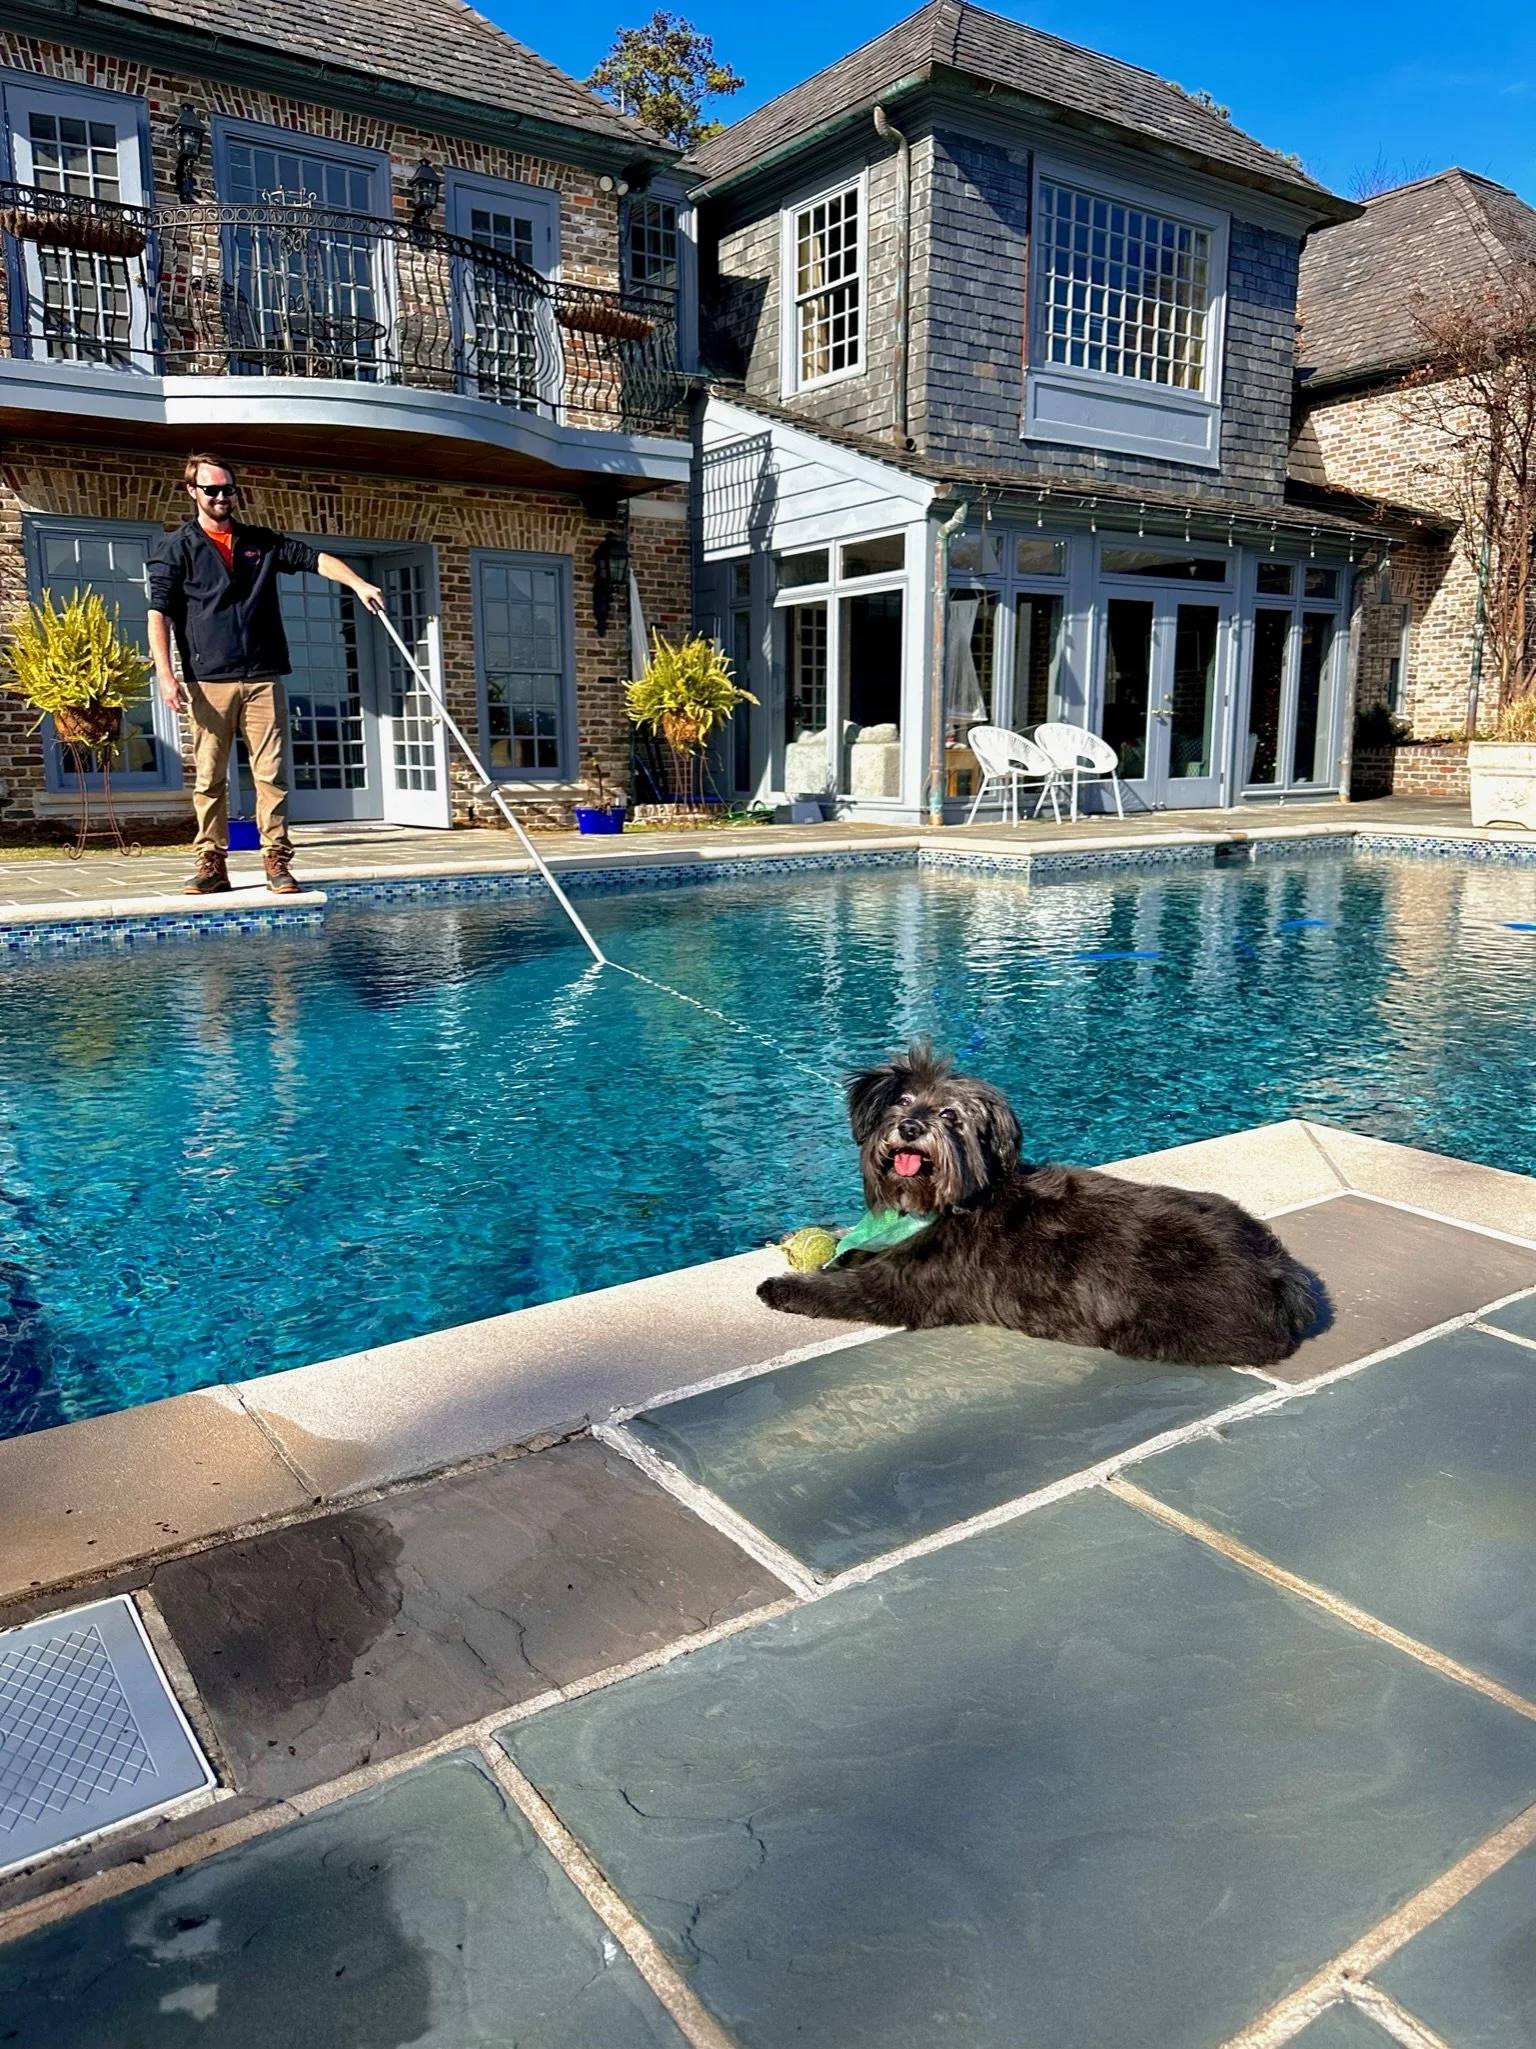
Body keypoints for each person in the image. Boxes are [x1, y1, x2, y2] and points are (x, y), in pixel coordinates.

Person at [147, 454, 383, 895]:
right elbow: (159, 613)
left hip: (263, 675)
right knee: (209, 777)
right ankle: (212, 864)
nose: (221, 496)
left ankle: (276, 859)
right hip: (208, 678)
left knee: (271, 774)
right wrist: (165, 673)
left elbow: (315, 559)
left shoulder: (260, 542)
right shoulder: (176, 548)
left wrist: (358, 583)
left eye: (228, 489)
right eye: (212, 489)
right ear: (193, 492)